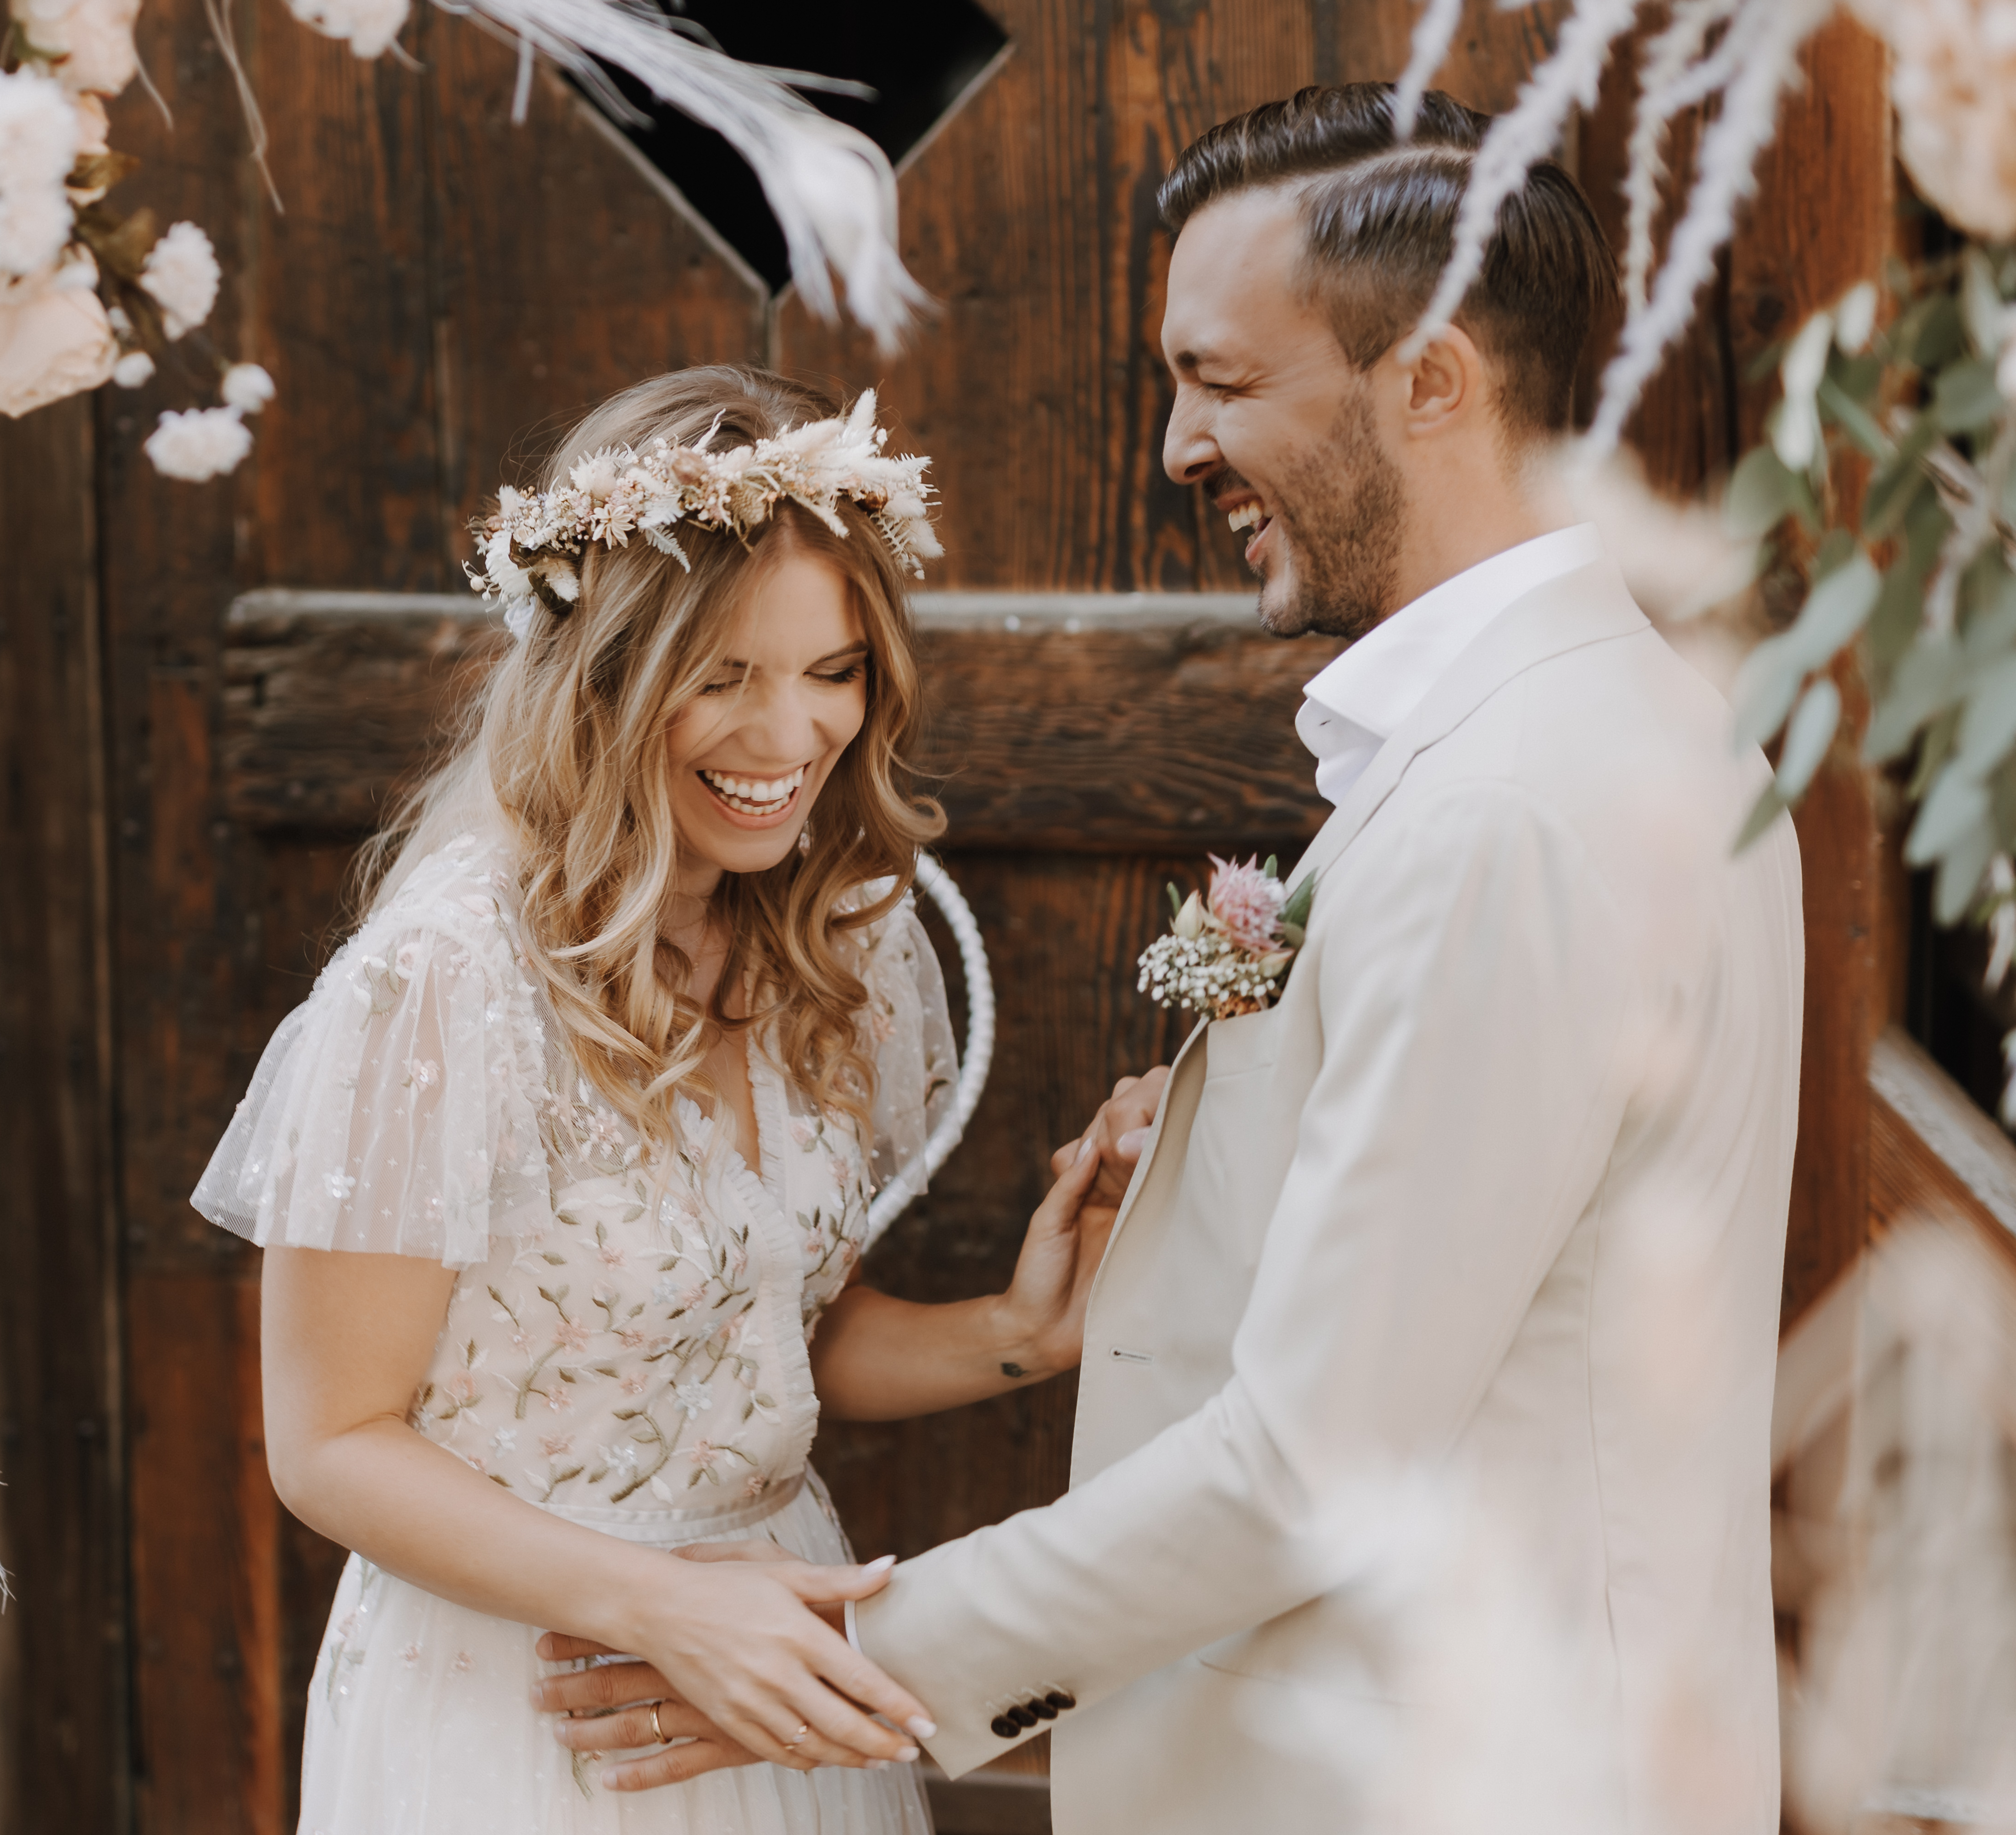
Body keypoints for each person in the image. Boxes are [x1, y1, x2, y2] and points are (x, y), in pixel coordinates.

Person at [537, 84, 1806, 1835]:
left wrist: (849, 1653)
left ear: (1428, 374)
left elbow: (1315, 1454)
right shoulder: (1589, 737)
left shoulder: (1514, 804)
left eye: (1221, 381)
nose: (1176, 448)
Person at [192, 366, 1145, 1834]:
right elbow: (333, 1444)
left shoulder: (846, 940)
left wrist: (1023, 1333)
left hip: (768, 1664)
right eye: (723, 677)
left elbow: (757, 1341)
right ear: (603, 675)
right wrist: (664, 1609)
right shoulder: (443, 986)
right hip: (531, 1695)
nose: (790, 738)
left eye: (833, 671)